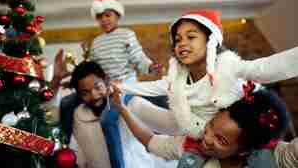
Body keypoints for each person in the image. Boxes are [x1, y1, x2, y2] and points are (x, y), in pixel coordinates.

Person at [114, 10, 298, 140]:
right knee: (171, 123)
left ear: (211, 42)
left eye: (191, 37)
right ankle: (135, 106)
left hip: (234, 134)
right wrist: (120, 86)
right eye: (177, 40)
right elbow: (154, 87)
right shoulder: (177, 80)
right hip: (197, 130)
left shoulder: (229, 67)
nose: (182, 43)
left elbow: (264, 68)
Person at [111, 81, 298, 168]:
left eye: (221, 140)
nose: (206, 139)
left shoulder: (278, 157)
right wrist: (123, 108)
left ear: (243, 150)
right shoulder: (189, 145)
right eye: (210, 127)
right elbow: (150, 140)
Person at [88, 0, 168, 168]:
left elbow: (138, 58)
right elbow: (94, 69)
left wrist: (151, 67)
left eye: (108, 15)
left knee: (108, 122)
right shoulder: (96, 42)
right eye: (100, 17)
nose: (105, 20)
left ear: (117, 15)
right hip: (106, 89)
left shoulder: (126, 34)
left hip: (127, 86)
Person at [59, 61, 111, 168]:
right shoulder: (77, 115)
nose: (94, 96)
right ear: (78, 95)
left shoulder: (125, 105)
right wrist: (55, 80)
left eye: (97, 87)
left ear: (106, 80)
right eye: (85, 93)